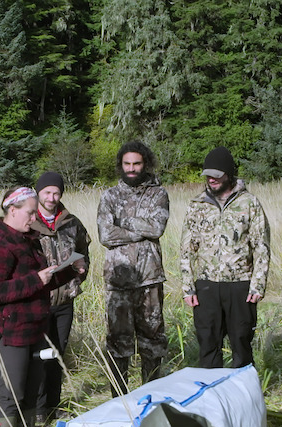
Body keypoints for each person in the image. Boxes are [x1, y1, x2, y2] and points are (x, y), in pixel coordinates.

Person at [0, 186, 80, 427]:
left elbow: (41, 281)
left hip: (36, 327)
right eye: (30, 212)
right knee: (12, 394)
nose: (35, 217)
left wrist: (69, 270)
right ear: (13, 210)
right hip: (9, 331)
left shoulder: (28, 239)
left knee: (31, 395)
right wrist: (36, 279)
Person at [180, 147, 271, 368]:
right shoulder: (197, 204)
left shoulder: (249, 203)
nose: (211, 180)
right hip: (206, 286)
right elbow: (186, 249)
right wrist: (188, 287)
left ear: (229, 174)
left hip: (240, 286)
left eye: (217, 175)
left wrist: (257, 285)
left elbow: (261, 246)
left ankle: (242, 396)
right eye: (208, 175)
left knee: (241, 343)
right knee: (208, 344)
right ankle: (212, 399)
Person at [97, 140, 169, 393]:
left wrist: (123, 222)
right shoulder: (110, 196)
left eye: (136, 163)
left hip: (149, 278)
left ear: (145, 163)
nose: (131, 168)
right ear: (120, 165)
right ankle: (119, 398)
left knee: (152, 340)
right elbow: (105, 235)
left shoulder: (158, 194)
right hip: (118, 281)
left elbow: (157, 228)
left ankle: (150, 395)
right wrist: (141, 230)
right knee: (118, 342)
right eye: (127, 163)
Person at [30, 172, 90, 424]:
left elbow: (83, 251)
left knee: (57, 353)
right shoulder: (28, 222)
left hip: (65, 301)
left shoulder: (71, 223)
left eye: (56, 193)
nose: (52, 197)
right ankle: (38, 409)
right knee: (39, 356)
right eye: (47, 193)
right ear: (38, 193)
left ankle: (53, 406)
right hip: (38, 302)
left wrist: (78, 276)